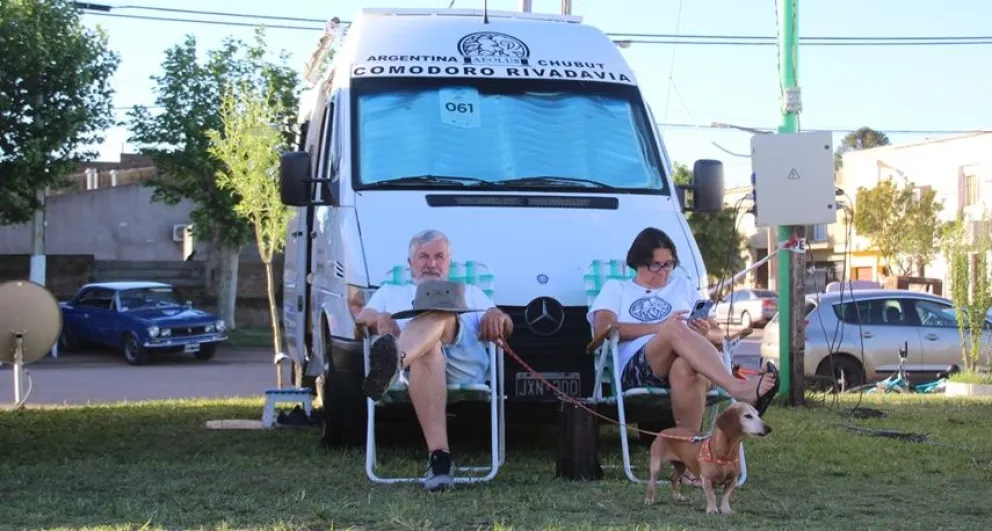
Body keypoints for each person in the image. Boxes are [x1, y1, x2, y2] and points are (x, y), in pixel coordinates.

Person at [356, 229, 513, 492]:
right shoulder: (389, 292)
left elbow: (505, 323)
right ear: (410, 263)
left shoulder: (469, 291)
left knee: (441, 309)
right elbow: (360, 323)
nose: (431, 263)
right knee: (428, 350)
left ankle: (394, 362)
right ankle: (440, 459)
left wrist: (497, 317)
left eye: (439, 257)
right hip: (419, 370)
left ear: (448, 262)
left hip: (462, 364)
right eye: (423, 256)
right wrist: (377, 319)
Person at [588, 227, 778, 443]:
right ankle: (735, 386)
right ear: (637, 262)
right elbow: (602, 330)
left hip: (693, 366)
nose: (663, 272)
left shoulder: (683, 286)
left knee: (685, 367)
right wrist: (660, 327)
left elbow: (718, 334)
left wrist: (705, 332)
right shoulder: (617, 288)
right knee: (674, 327)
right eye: (655, 265)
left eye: (668, 264)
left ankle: (689, 459)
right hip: (638, 370)